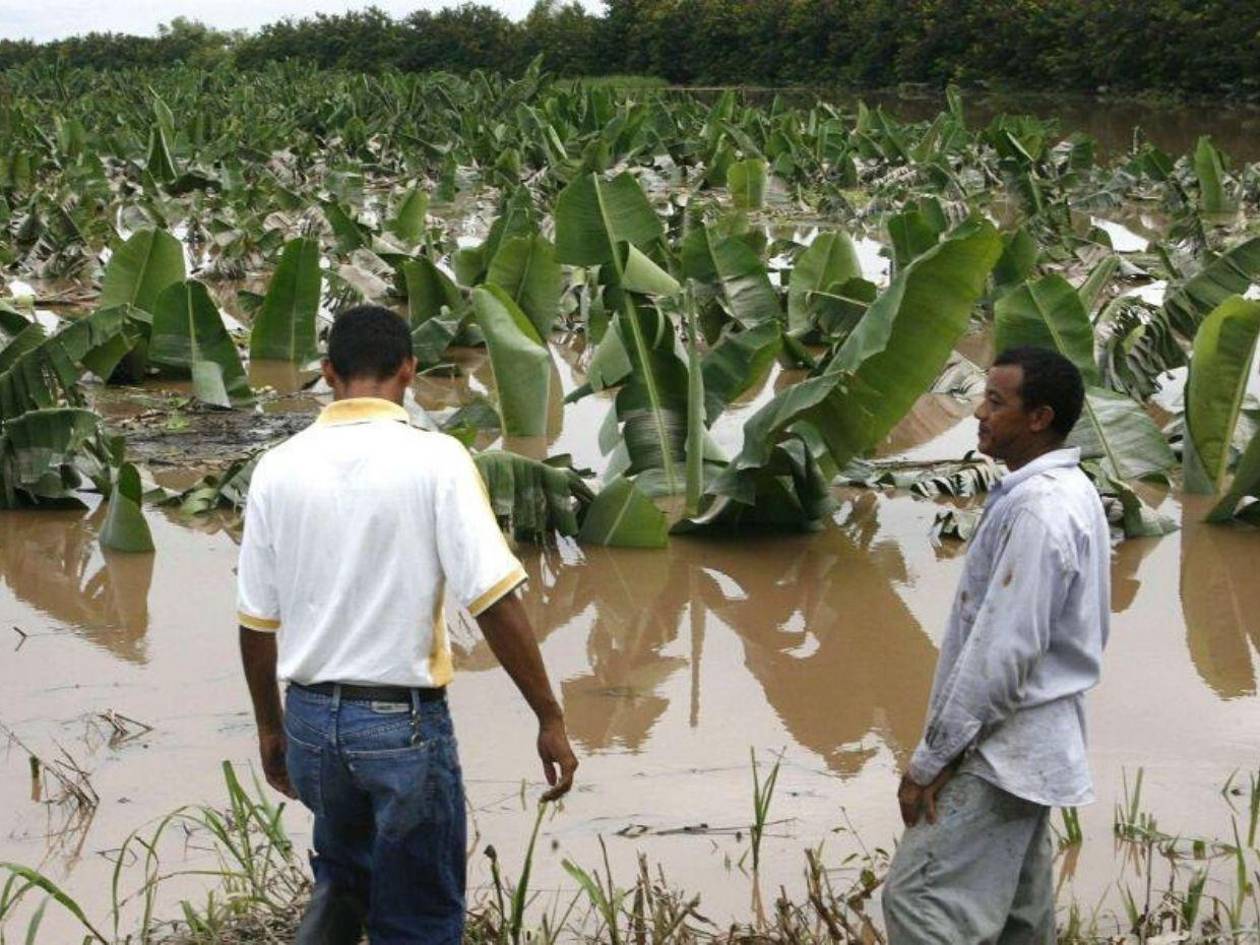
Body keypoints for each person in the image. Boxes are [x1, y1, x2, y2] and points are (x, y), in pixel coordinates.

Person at [236, 304, 578, 945]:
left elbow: (256, 623)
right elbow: (495, 602)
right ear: (409, 371)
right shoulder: (437, 460)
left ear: (329, 373)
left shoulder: (277, 468)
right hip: (399, 726)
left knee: (343, 882)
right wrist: (548, 716)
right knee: (418, 918)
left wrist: (270, 728)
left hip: (310, 722)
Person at [882, 346, 1110, 943]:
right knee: (1017, 920)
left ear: (1039, 417)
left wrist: (932, 760)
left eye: (995, 401)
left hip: (1001, 748)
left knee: (919, 902)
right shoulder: (1070, 491)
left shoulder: (1039, 510)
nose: (979, 413)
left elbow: (1003, 654)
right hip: (1035, 746)